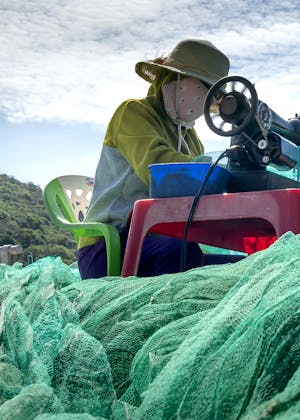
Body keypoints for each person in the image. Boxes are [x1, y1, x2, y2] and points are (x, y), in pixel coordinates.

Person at [77, 38, 241, 279]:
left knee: (240, 268)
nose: (205, 98)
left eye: (211, 93)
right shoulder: (132, 113)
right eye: (203, 86)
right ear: (173, 78)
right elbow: (157, 168)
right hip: (109, 245)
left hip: (159, 239)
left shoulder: (191, 137)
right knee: (182, 252)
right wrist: (213, 172)